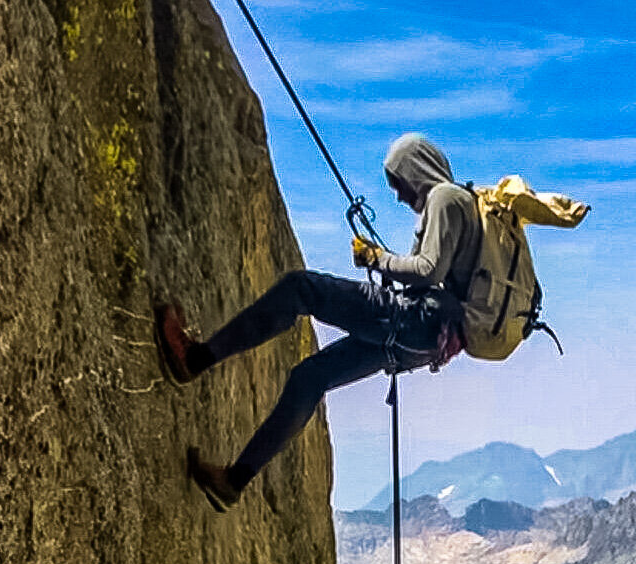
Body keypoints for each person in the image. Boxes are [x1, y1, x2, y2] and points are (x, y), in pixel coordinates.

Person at [156, 133, 482, 512]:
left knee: (302, 288)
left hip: (411, 320)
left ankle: (195, 359)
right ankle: (233, 481)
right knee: (310, 378)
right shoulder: (460, 205)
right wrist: (385, 262)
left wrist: (377, 259)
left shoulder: (444, 197)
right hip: (422, 341)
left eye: (400, 183)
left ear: (416, 170)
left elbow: (428, 270)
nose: (400, 195)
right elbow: (435, 274)